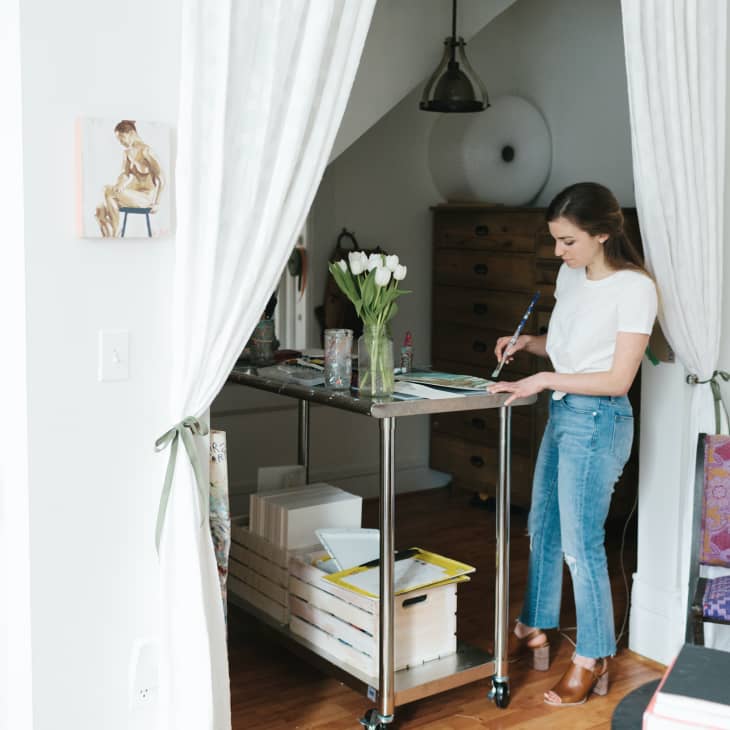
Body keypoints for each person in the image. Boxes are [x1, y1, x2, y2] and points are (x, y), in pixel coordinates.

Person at [488, 182, 658, 706]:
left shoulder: (635, 289)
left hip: (599, 419)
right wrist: (529, 345)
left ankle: (593, 654)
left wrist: (542, 380)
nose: (558, 252)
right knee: (542, 527)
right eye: (555, 241)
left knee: (579, 546)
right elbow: (573, 348)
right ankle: (535, 624)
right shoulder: (570, 276)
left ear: (602, 234)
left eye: (567, 241)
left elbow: (616, 378)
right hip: (564, 412)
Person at [95, 120, 164, 237]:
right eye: (118, 139)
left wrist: (157, 203)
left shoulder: (147, 151)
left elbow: (161, 178)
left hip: (145, 197)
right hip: (131, 195)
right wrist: (119, 184)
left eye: (122, 137)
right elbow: (125, 174)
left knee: (106, 190)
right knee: (99, 210)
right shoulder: (127, 153)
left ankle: (115, 233)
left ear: (132, 133)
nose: (120, 142)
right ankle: (109, 240)